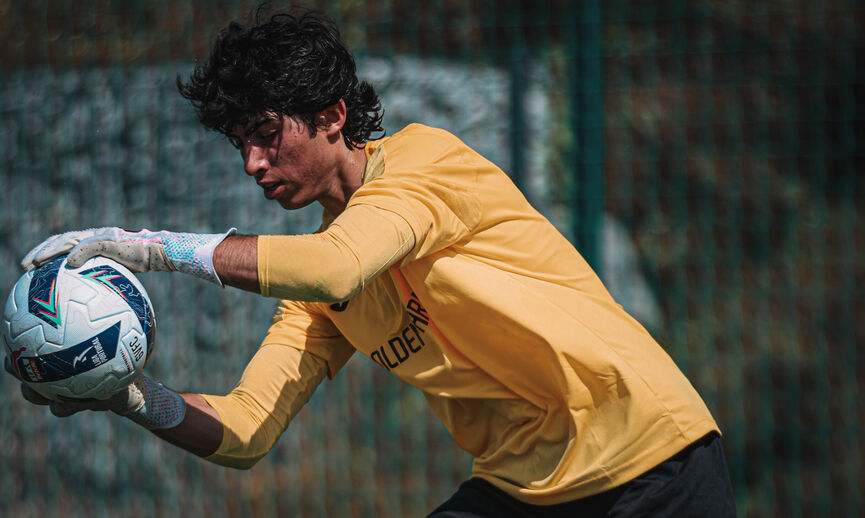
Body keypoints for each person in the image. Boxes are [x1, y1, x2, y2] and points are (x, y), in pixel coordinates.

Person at [11, 6, 735, 517]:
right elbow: (245, 432)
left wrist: (144, 248)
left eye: (266, 134)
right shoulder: (316, 288)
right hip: (526, 484)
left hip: (648, 454)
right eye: (240, 145)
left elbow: (336, 265)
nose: (253, 164)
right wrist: (127, 396)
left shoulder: (425, 163)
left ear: (332, 116)